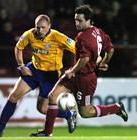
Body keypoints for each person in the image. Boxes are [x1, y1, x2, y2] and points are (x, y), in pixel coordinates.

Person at [31, 5, 128, 137]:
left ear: (89, 21)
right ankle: (47, 132)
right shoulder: (98, 32)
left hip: (86, 79)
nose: (76, 23)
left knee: (86, 112)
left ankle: (116, 108)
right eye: (75, 20)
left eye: (80, 21)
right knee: (52, 96)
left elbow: (85, 59)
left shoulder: (83, 37)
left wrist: (72, 71)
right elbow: (110, 49)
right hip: (75, 75)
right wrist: (104, 62)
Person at [0, 14, 75, 137]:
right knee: (13, 96)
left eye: (43, 27)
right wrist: (21, 66)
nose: (40, 30)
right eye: (38, 27)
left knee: (42, 109)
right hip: (34, 70)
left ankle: (68, 114)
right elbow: (18, 47)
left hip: (50, 75)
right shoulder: (30, 34)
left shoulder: (58, 37)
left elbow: (77, 49)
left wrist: (73, 69)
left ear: (49, 27)